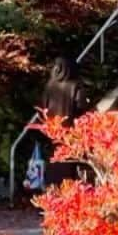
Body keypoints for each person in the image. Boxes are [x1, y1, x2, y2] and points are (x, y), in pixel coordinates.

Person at [38, 57, 88, 188]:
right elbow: (81, 106)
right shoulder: (75, 85)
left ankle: (53, 186)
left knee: (55, 159)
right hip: (70, 128)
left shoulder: (50, 85)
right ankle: (67, 188)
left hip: (52, 130)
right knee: (68, 161)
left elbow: (43, 106)